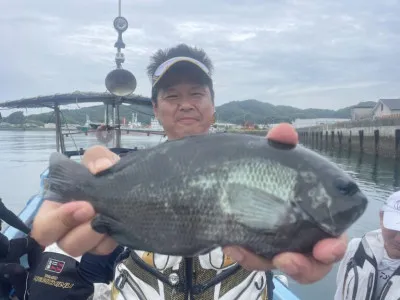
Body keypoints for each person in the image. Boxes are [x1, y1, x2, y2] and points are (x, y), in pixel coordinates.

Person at [30, 43, 347, 299]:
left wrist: (308, 241)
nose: (185, 104)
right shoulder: (124, 167)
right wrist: (72, 195)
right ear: (155, 108)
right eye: (172, 96)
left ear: (212, 102)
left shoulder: (255, 163)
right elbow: (67, 240)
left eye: (196, 93)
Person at [334, 190, 400, 300]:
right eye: (394, 226)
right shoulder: (355, 248)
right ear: (381, 217)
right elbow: (341, 292)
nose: (399, 239)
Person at [0, 198, 43, 299]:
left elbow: (6, 214)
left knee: (35, 241)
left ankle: (34, 281)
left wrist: (29, 231)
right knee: (17, 271)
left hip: (6, 248)